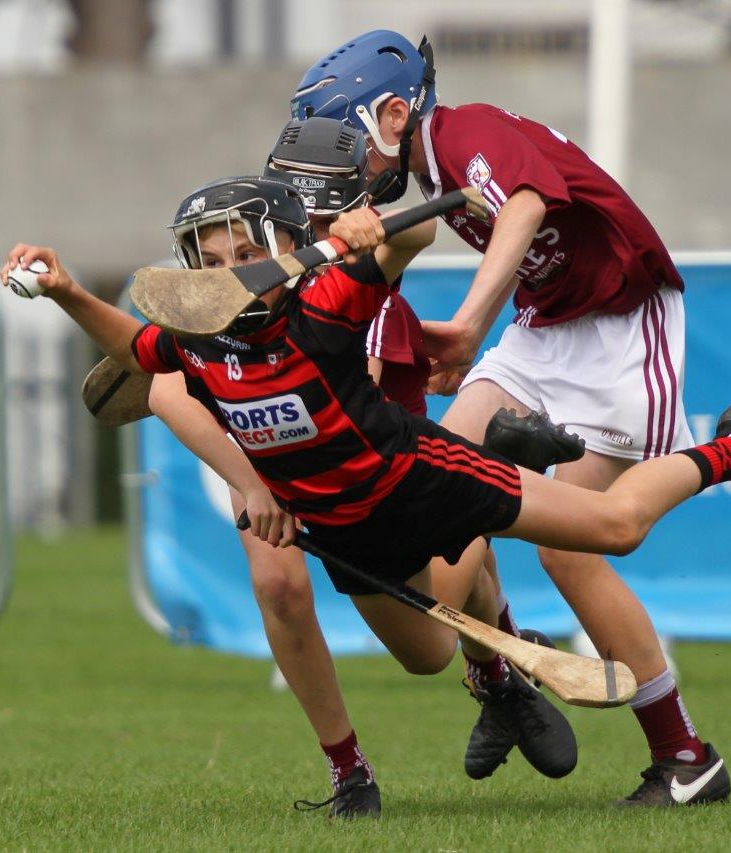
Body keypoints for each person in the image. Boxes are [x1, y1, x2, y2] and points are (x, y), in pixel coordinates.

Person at [1, 177, 731, 811]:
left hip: (428, 480)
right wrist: (69, 290)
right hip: (353, 535)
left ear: (283, 247)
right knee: (426, 656)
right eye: (210, 263)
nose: (227, 275)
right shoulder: (199, 345)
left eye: (242, 255)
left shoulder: (325, 303)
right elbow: (133, 348)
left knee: (613, 527)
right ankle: (469, 653)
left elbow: (413, 240)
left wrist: (377, 241)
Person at [288, 29, 731, 806]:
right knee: (447, 462)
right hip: (545, 324)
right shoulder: (433, 166)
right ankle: (501, 674)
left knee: (578, 546)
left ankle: (687, 751)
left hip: (621, 317)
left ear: (396, 114)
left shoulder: (462, 130)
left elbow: (528, 204)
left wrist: (472, 323)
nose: (345, 159)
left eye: (349, 136)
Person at [146, 120, 568, 819]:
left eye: (324, 201)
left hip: (365, 466)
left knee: (428, 649)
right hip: (264, 452)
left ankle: (493, 661)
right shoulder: (241, 273)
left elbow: (358, 388)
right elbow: (162, 388)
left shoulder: (347, 283)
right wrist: (252, 482)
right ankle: (349, 770)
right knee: (277, 584)